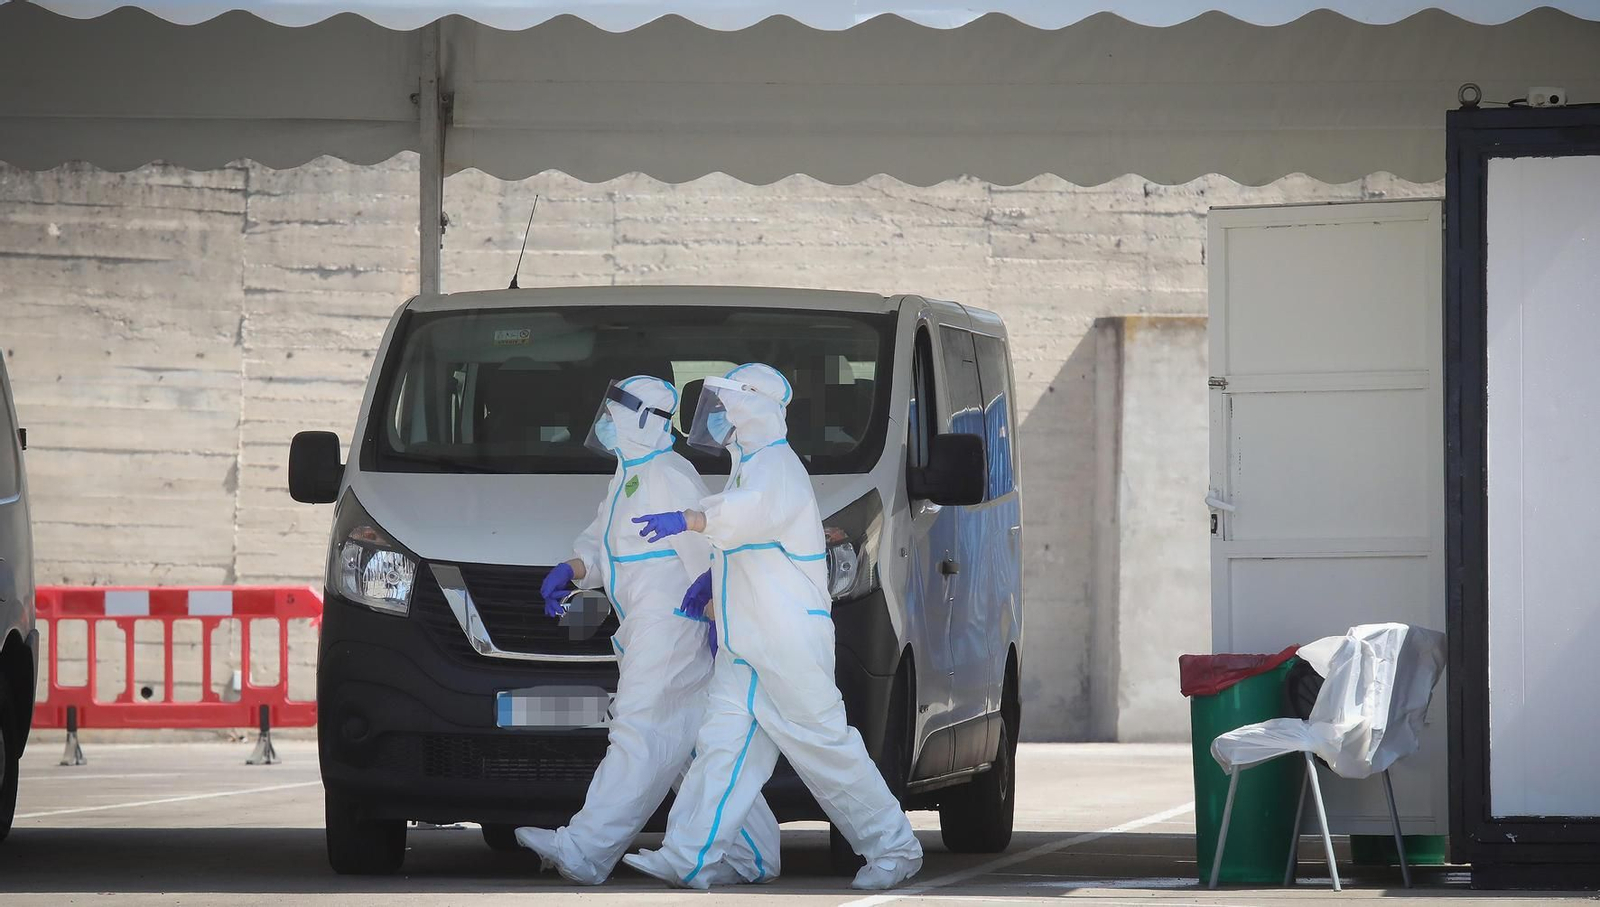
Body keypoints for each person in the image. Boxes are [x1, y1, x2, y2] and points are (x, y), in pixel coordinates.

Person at [621, 363, 923, 891]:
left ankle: (895, 848)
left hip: (785, 644)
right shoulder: (750, 464)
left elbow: (748, 514)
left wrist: (692, 519)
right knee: (722, 748)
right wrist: (711, 578)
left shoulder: (775, 467)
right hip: (747, 643)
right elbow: (749, 546)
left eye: (729, 404)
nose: (718, 417)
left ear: (754, 407)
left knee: (825, 746)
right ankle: (686, 855)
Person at [519, 375, 780, 886]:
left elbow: (709, 547)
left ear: (641, 420)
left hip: (671, 628)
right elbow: (604, 547)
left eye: (613, 414)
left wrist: (710, 611)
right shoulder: (627, 475)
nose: (603, 424)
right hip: (645, 628)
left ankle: (584, 850)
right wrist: (572, 570)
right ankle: (756, 855)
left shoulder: (667, 473)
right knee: (684, 744)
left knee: (638, 732)